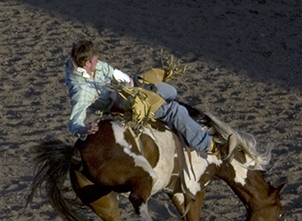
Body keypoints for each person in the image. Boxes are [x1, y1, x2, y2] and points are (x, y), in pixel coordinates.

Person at [64, 40, 235, 156]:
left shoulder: (91, 66)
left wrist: (128, 80)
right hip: (124, 104)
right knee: (175, 110)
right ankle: (209, 146)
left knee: (169, 91)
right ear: (86, 64)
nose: (98, 60)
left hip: (128, 89)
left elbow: (110, 70)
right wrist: (83, 129)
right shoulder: (82, 91)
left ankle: (176, 125)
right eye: (95, 59)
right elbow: (74, 122)